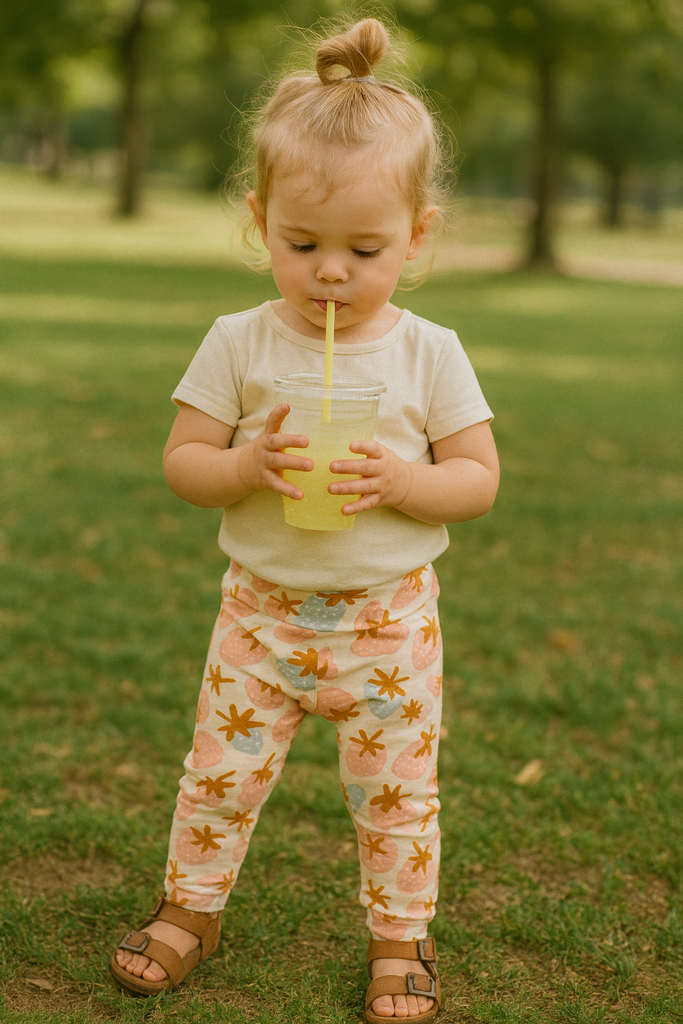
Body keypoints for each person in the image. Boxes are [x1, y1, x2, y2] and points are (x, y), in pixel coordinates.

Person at [110, 17, 498, 1023]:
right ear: (260, 220)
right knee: (217, 777)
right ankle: (190, 910)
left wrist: (403, 482)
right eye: (302, 243)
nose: (331, 271)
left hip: (388, 622)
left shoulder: (428, 353)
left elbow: (476, 480)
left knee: (396, 797)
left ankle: (399, 937)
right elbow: (183, 463)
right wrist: (242, 465)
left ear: (416, 236)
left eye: (364, 249)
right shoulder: (238, 342)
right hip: (260, 615)